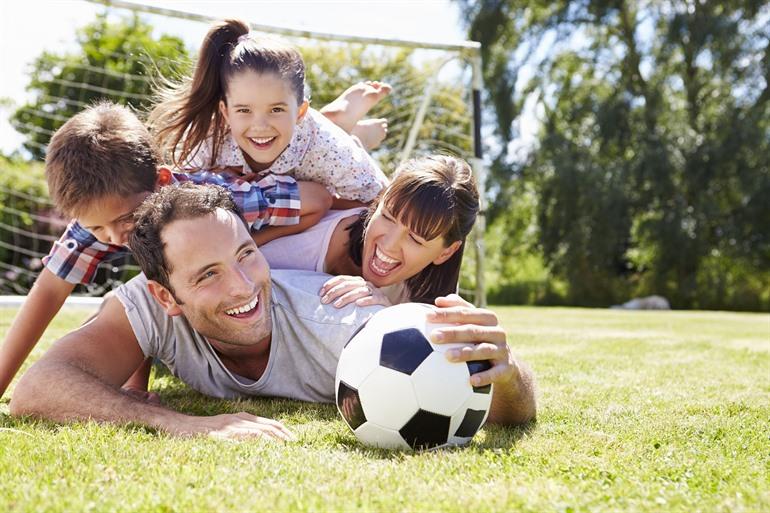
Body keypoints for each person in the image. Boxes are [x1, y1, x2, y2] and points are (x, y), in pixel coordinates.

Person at [9, 184, 537, 440]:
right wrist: (182, 424)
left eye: (245, 254)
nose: (243, 286)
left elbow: (508, 408)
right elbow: (36, 390)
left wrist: (508, 376)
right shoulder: (146, 307)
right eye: (208, 273)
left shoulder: (347, 327)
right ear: (167, 297)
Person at [0, 92, 371, 399]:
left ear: (161, 181)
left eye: (124, 220)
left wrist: (244, 247)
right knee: (127, 298)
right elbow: (48, 292)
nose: (113, 237)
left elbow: (316, 199)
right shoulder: (95, 221)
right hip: (193, 294)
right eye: (97, 227)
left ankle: (345, 129)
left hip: (276, 241)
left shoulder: (212, 201)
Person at [148, 18, 390, 221]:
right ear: (225, 113)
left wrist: (324, 199)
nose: (260, 125)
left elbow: (377, 200)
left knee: (336, 183)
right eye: (244, 110)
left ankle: (357, 136)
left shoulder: (327, 148)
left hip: (315, 154)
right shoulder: (209, 138)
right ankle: (340, 118)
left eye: (276, 109)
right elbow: (183, 188)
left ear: (300, 112)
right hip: (296, 140)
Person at [259, 155, 479, 307]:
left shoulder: (424, 302)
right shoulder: (309, 229)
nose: (389, 244)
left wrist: (383, 316)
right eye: (387, 217)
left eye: (415, 238)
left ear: (445, 252)